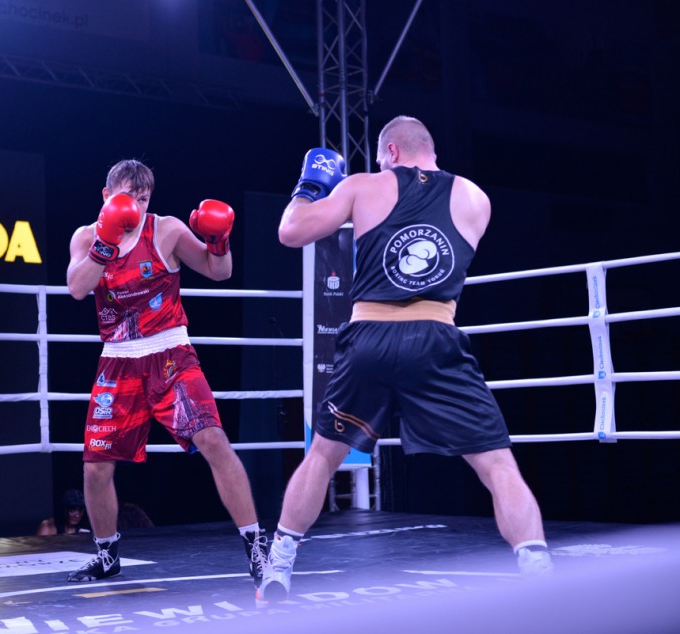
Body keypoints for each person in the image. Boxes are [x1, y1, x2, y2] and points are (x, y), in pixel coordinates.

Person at [259, 116, 553, 602]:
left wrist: (309, 188)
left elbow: (291, 232)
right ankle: (538, 568)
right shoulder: (475, 198)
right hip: (435, 339)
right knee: (498, 465)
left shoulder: (363, 186)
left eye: (381, 159)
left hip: (368, 339)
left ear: (391, 151)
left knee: (324, 455)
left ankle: (279, 565)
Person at [65, 158, 268, 589]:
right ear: (107, 197)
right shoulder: (86, 236)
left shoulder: (168, 230)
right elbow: (77, 287)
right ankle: (106, 555)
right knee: (95, 467)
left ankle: (256, 545)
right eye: (128, 198)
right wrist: (105, 242)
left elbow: (219, 272)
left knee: (213, 439)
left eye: (143, 199)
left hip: (171, 353)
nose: (136, 207)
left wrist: (219, 240)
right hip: (118, 359)